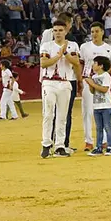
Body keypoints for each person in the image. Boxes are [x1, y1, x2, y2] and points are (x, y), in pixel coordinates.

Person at [40, 21, 81, 159]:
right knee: (48, 113)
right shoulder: (46, 45)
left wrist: (65, 53)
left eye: (60, 30)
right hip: (49, 82)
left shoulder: (73, 45)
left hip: (65, 82)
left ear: (65, 32)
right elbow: (44, 63)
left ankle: (59, 145)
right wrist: (59, 55)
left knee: (62, 116)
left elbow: (76, 62)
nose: (57, 33)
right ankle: (46, 143)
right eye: (55, 30)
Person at [80, 22, 111, 154]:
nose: (94, 34)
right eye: (92, 31)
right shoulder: (84, 47)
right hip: (88, 80)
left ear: (102, 32)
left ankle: (105, 141)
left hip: (101, 81)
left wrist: (102, 74)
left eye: (96, 31)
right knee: (88, 111)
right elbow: (81, 64)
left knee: (102, 108)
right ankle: (89, 140)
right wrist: (82, 80)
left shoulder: (109, 49)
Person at [85, 56, 111, 156]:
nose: (93, 65)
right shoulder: (94, 77)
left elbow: (104, 89)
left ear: (101, 66)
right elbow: (93, 91)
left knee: (107, 127)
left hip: (106, 106)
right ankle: (99, 147)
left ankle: (109, 147)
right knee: (99, 128)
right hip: (97, 106)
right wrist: (89, 84)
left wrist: (92, 83)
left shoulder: (106, 76)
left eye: (95, 63)